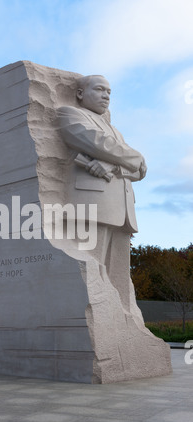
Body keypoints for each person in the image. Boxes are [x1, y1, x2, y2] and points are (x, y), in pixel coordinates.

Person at [57, 75, 147, 318]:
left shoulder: (115, 130)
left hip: (122, 210)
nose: (106, 96)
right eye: (99, 90)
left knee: (118, 278)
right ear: (80, 94)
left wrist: (114, 167)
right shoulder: (70, 114)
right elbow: (98, 144)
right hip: (92, 205)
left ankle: (120, 322)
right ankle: (92, 322)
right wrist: (134, 157)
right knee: (90, 273)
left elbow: (141, 170)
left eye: (109, 92)